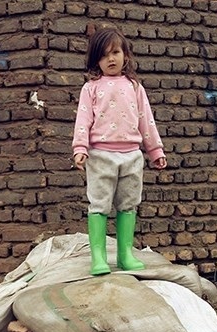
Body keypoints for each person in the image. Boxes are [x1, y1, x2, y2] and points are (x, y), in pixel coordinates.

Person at [72, 28, 167, 276]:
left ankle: (125, 254)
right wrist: (80, 148)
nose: (111, 59)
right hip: (101, 156)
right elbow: (83, 120)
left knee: (128, 205)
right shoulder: (90, 89)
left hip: (132, 156)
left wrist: (155, 150)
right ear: (96, 61)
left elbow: (146, 120)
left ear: (125, 55)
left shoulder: (135, 87)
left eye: (115, 52)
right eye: (104, 56)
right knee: (99, 205)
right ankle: (99, 258)